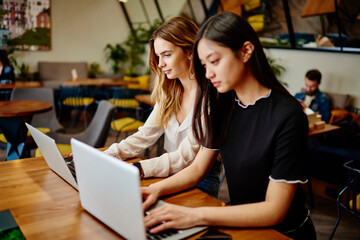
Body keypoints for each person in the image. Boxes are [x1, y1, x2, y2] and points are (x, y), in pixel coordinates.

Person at [142, 12, 316, 240]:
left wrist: (197, 216)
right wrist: (153, 190)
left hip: (282, 233)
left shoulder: (289, 116)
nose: (208, 73)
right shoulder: (221, 106)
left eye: (214, 61)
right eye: (204, 65)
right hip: (240, 224)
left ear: (246, 51)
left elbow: (274, 210)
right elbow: (197, 169)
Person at [104, 16, 220, 198]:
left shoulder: (212, 96)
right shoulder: (169, 92)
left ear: (190, 52)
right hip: (166, 171)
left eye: (166, 54)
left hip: (200, 180)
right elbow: (145, 135)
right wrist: (109, 155)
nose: (160, 64)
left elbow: (186, 156)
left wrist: (139, 168)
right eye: (158, 56)